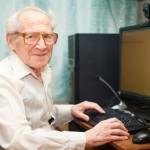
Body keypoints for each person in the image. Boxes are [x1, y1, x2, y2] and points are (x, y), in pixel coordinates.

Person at [0, 6, 129, 150]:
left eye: (47, 36)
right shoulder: (4, 78)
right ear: (11, 41)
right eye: (31, 37)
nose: (42, 46)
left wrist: (71, 110)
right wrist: (85, 138)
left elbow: (41, 117)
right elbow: (18, 140)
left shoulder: (43, 70)